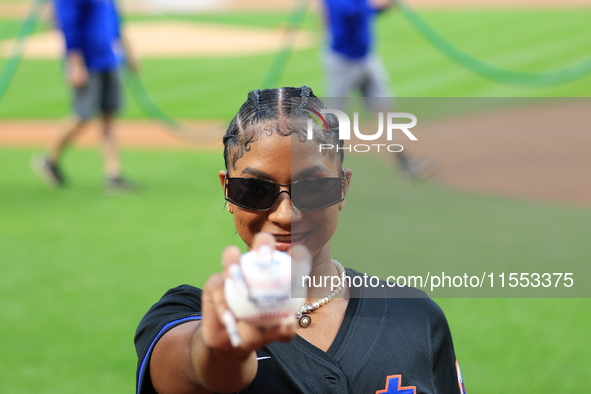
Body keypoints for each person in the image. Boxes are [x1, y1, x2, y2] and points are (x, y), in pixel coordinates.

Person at [134, 87, 465, 394]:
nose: (285, 215)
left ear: (343, 187)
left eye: (313, 187)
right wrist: (224, 352)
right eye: (254, 190)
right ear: (227, 190)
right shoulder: (187, 316)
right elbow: (193, 365)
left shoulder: (415, 315)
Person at [322, 0, 435, 180]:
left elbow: (367, 11)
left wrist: (384, 6)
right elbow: (350, 13)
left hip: (366, 59)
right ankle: (317, 171)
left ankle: (406, 165)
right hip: (343, 62)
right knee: (332, 119)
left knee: (384, 111)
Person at [32, 0, 136, 191]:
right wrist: (75, 63)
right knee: (83, 116)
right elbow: (68, 23)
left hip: (109, 58)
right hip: (88, 62)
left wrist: (129, 51)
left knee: (109, 116)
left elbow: (114, 20)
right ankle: (49, 159)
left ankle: (113, 175)